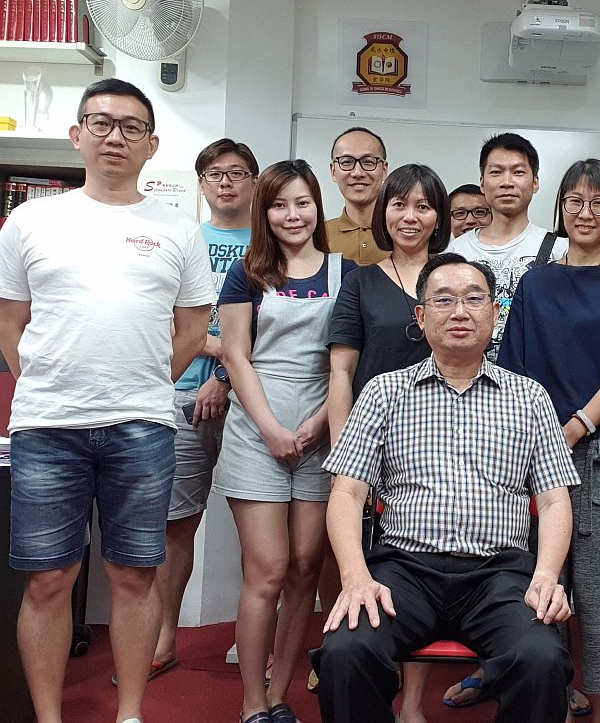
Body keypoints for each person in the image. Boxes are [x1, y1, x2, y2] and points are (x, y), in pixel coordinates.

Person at [0, 78, 213, 723]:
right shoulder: (30, 220)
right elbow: (10, 322)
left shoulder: (179, 229)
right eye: (101, 123)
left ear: (152, 144)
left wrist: (139, 380)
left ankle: (130, 714)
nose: (115, 136)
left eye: (130, 127)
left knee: (134, 576)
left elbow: (192, 330)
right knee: (47, 579)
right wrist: (47, 378)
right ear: (77, 135)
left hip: (142, 426)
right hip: (46, 426)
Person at [312, 253, 580, 723]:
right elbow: (347, 493)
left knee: (541, 658)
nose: (459, 312)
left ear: (495, 313)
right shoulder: (383, 391)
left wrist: (546, 575)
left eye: (474, 299)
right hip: (404, 570)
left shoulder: (530, 397)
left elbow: (555, 499)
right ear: (421, 316)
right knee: (346, 652)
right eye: (444, 300)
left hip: (499, 574)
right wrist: (355, 577)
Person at [499, 158, 600, 723]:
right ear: (560, 206)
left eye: (598, 203)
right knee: (541, 591)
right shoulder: (535, 281)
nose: (585, 213)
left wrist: (575, 427)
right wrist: (540, 439)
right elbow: (513, 371)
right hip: (532, 458)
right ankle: (557, 706)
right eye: (575, 201)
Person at [211, 159, 357, 723]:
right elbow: (236, 356)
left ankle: (279, 696)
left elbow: (347, 364)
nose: (292, 215)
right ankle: (252, 703)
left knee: (304, 568)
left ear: (318, 206)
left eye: (302, 203)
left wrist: (319, 424)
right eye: (278, 205)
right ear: (263, 212)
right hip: (257, 427)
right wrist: (271, 428)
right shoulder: (247, 273)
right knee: (268, 569)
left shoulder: (347, 273)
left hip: (323, 426)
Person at [325, 164, 451, 723]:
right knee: (373, 565)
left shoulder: (455, 277)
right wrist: (343, 455)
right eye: (399, 205)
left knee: (423, 564)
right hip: (372, 443)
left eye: (423, 206)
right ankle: (366, 677)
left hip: (440, 445)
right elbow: (340, 371)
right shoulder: (360, 281)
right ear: (384, 212)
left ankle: (414, 704)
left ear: (438, 217)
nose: (410, 216)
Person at [152, 138, 259, 679]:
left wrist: (222, 375)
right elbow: (162, 317)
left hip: (251, 399)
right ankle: (163, 638)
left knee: (259, 528)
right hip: (179, 398)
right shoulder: (182, 240)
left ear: (254, 183)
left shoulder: (269, 244)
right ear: (201, 184)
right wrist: (215, 351)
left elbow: (276, 327)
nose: (225, 182)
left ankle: (253, 638)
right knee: (176, 524)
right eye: (214, 173)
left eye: (237, 173)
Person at [448, 133, 567, 359]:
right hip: (470, 372)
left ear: (535, 182)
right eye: (496, 172)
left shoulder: (560, 250)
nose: (507, 182)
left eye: (518, 172)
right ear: (482, 183)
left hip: (535, 372)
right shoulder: (458, 251)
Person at [325, 126, 389, 264]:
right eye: (346, 162)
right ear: (333, 171)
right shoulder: (317, 236)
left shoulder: (404, 234)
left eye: (369, 162)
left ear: (384, 170)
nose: (357, 173)